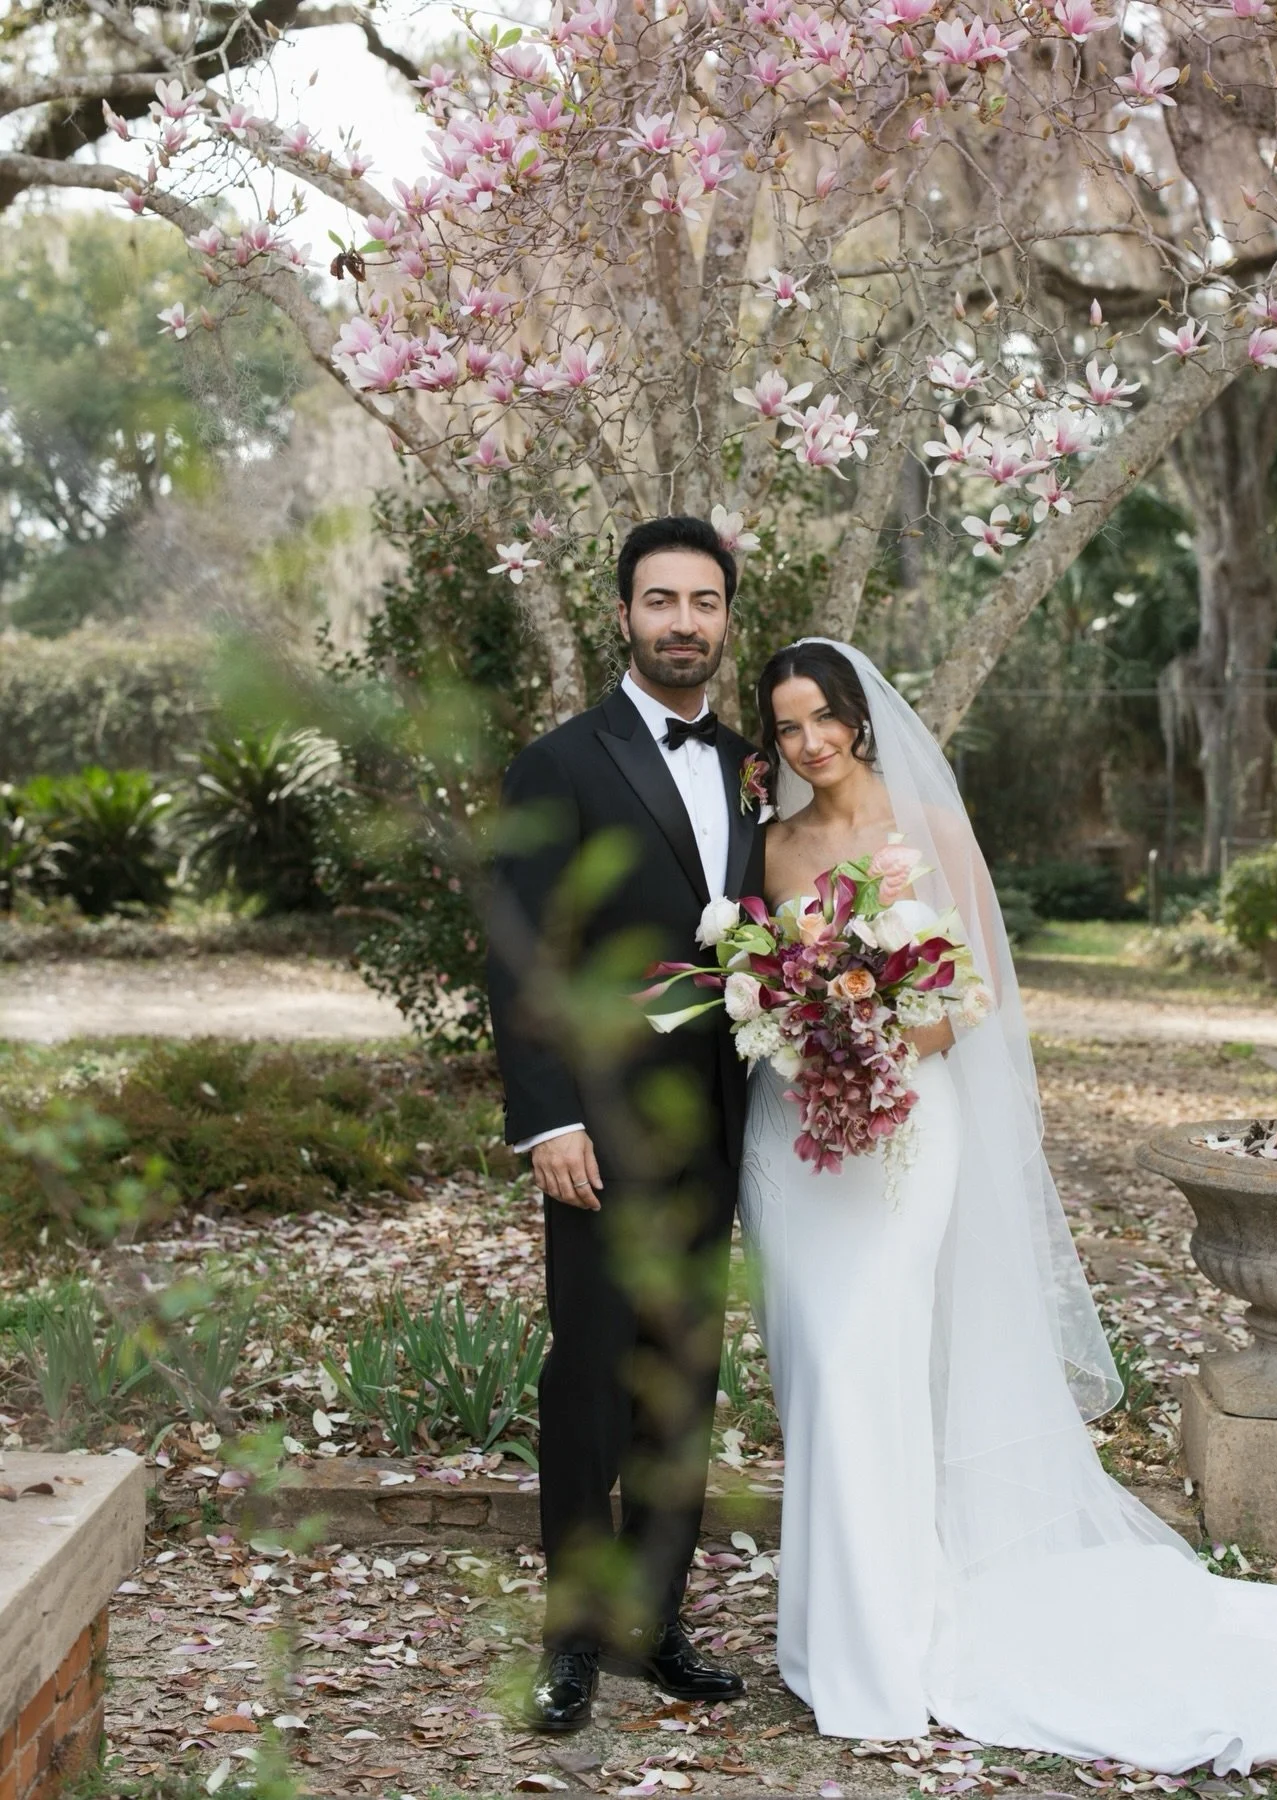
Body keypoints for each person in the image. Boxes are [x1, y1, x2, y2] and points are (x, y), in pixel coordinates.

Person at [738, 638, 1277, 1773]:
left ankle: (883, 1644)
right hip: (794, 1139)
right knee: (814, 1365)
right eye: (788, 727)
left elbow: (976, 987)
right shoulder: (775, 845)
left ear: (856, 716)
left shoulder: (927, 828)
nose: (810, 744)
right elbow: (758, 977)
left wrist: (877, 1032)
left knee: (871, 1360)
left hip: (906, 1122)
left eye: (823, 719)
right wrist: (803, 1029)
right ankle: (825, 1634)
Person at [487, 515, 765, 1733]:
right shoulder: (560, 762)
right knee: (589, 1384)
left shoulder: (757, 766)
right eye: (663, 602)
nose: (685, 624)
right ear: (624, 617)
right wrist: (546, 1121)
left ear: (725, 619)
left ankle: (657, 1620)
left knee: (683, 1385)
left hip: (719, 1129)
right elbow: (523, 955)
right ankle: (570, 1641)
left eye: (705, 604)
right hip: (597, 1135)